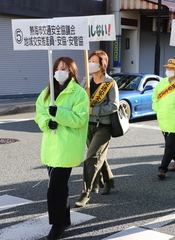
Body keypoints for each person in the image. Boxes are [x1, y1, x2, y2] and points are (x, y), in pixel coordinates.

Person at [34, 57, 89, 240]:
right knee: (60, 186)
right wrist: (46, 122)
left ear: (72, 71)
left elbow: (80, 119)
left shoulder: (79, 93)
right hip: (51, 146)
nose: (60, 71)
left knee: (54, 188)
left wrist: (58, 114)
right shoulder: (47, 92)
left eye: (64, 68)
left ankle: (57, 225)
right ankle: (64, 220)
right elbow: (39, 113)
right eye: (57, 68)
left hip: (67, 146)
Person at [75, 50, 119, 207]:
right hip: (88, 125)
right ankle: (109, 180)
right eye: (89, 60)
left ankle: (85, 192)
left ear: (102, 65)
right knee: (99, 156)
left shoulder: (110, 83)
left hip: (103, 126)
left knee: (91, 158)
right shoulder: (86, 81)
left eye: (94, 61)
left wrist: (95, 110)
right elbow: (78, 98)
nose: (90, 64)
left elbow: (114, 105)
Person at [152, 59, 175, 180]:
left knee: (170, 146)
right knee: (171, 145)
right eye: (167, 68)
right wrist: (156, 107)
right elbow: (155, 96)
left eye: (172, 68)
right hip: (163, 118)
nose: (168, 70)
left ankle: (162, 168)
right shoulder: (162, 82)